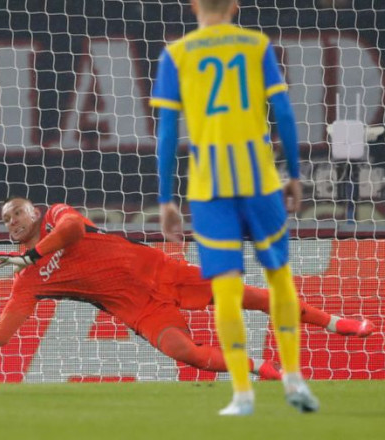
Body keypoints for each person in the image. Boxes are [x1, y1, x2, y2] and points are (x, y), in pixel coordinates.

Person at [0, 197, 372, 382]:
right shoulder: (28, 280)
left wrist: (32, 253)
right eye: (6, 219)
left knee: (244, 295)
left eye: (17, 213)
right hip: (138, 309)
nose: (13, 222)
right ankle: (260, 369)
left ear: (32, 212)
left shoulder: (54, 217)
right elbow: (5, 332)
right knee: (185, 353)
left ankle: (336, 323)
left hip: (162, 272)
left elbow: (71, 230)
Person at [151, 0, 318, 415]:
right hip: (260, 181)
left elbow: (168, 130)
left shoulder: (176, 54)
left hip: (209, 189)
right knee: (279, 278)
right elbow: (283, 111)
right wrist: (294, 174)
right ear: (235, 5)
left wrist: (165, 198)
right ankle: (295, 378)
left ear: (193, 6)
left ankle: (243, 394)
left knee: (226, 289)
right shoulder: (255, 44)